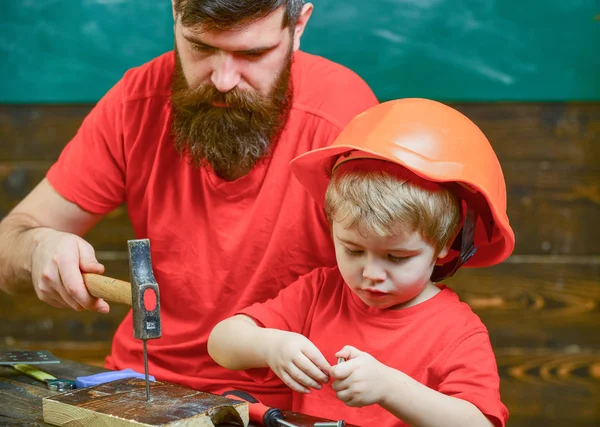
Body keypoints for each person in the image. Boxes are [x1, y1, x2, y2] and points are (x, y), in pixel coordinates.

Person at [0, 0, 377, 408]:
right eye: (200, 47)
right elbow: (10, 243)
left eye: (251, 54)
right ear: (175, 12)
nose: (223, 80)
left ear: (299, 24)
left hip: (289, 402)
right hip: (140, 388)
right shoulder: (136, 102)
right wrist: (38, 247)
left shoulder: (345, 122)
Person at [208, 98, 515, 426]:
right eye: (353, 250)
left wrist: (390, 389)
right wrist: (270, 344)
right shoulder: (320, 292)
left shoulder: (457, 332)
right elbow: (221, 342)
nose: (371, 273)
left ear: (445, 243)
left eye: (397, 257)